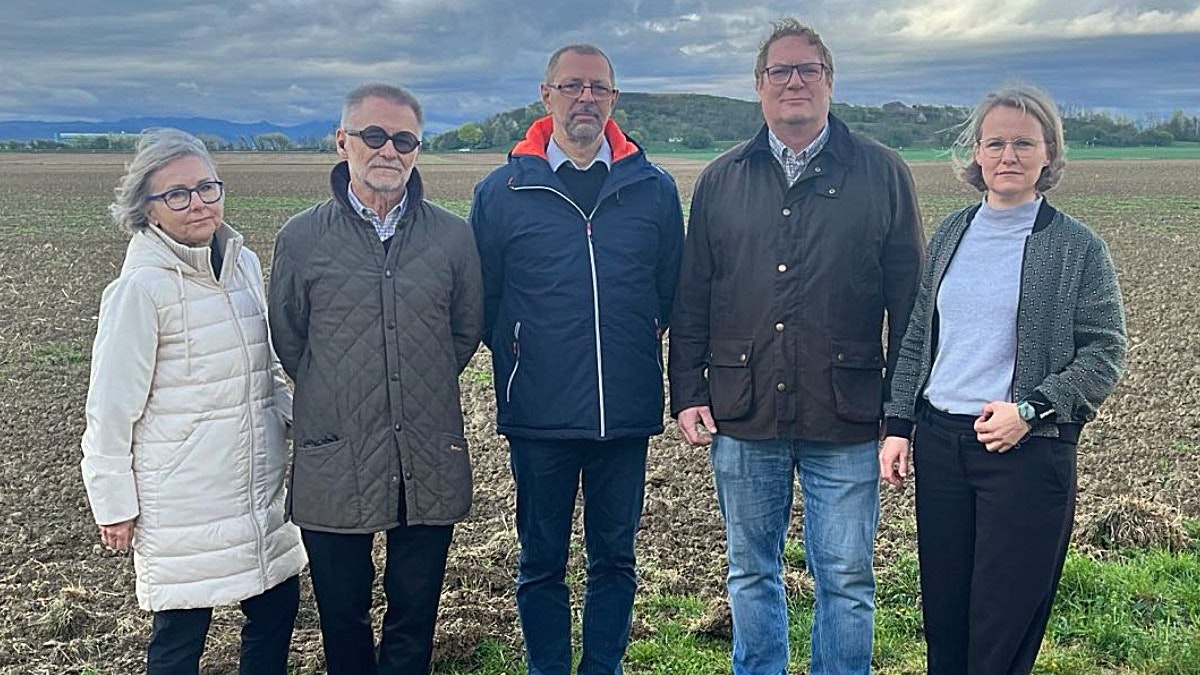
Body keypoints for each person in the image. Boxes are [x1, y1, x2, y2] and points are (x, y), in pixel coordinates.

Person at [668, 18, 925, 675]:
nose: (794, 82)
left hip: (846, 410)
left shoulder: (883, 173)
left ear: (829, 82)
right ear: (758, 87)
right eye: (779, 71)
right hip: (743, 407)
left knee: (845, 570)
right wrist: (688, 391)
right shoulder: (723, 179)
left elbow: (913, 306)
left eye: (808, 69)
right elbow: (693, 295)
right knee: (750, 567)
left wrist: (901, 415)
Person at [879, 82, 1127, 674]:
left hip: (1024, 452)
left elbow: (1105, 351)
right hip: (941, 446)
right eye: (995, 143)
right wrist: (898, 425)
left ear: (1048, 155)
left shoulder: (1075, 247)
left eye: (1023, 142)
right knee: (945, 618)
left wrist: (1034, 410)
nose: (1008, 155)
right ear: (976, 155)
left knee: (1002, 626)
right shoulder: (951, 233)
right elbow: (918, 334)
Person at [470, 44, 684, 675]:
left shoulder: (653, 189)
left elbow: (667, 288)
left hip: (625, 410)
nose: (585, 98)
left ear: (614, 100)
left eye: (598, 88)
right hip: (539, 412)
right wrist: (519, 353)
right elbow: (484, 297)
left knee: (615, 560)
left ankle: (602, 667)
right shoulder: (503, 191)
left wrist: (639, 337)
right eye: (572, 87)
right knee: (539, 564)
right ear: (547, 96)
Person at [267, 83, 483, 675]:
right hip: (336, 456)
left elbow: (462, 335)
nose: (388, 150)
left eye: (404, 138)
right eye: (373, 135)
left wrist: (414, 384)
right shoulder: (302, 238)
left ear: (417, 148)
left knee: (414, 617)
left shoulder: (452, 237)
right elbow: (290, 340)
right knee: (343, 620)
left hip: (427, 451)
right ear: (343, 142)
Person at [80, 128, 305, 674]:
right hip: (185, 498)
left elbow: (268, 366)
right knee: (181, 636)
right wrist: (114, 504)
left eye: (208, 187)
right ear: (147, 210)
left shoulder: (242, 265)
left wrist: (300, 417)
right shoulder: (140, 290)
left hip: (258, 485)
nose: (198, 203)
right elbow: (110, 407)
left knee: (276, 611)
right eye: (176, 194)